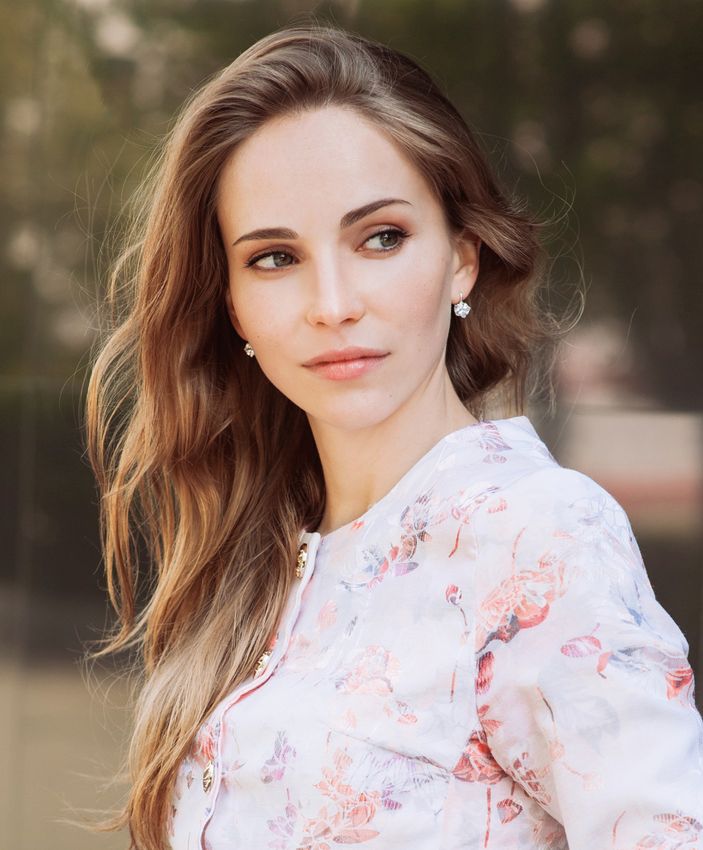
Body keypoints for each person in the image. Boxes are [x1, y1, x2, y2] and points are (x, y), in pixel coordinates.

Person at [85, 20, 703, 850]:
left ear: (462, 257)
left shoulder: (538, 536)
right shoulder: (257, 559)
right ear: (230, 301)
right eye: (274, 257)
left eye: (380, 238)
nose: (332, 302)